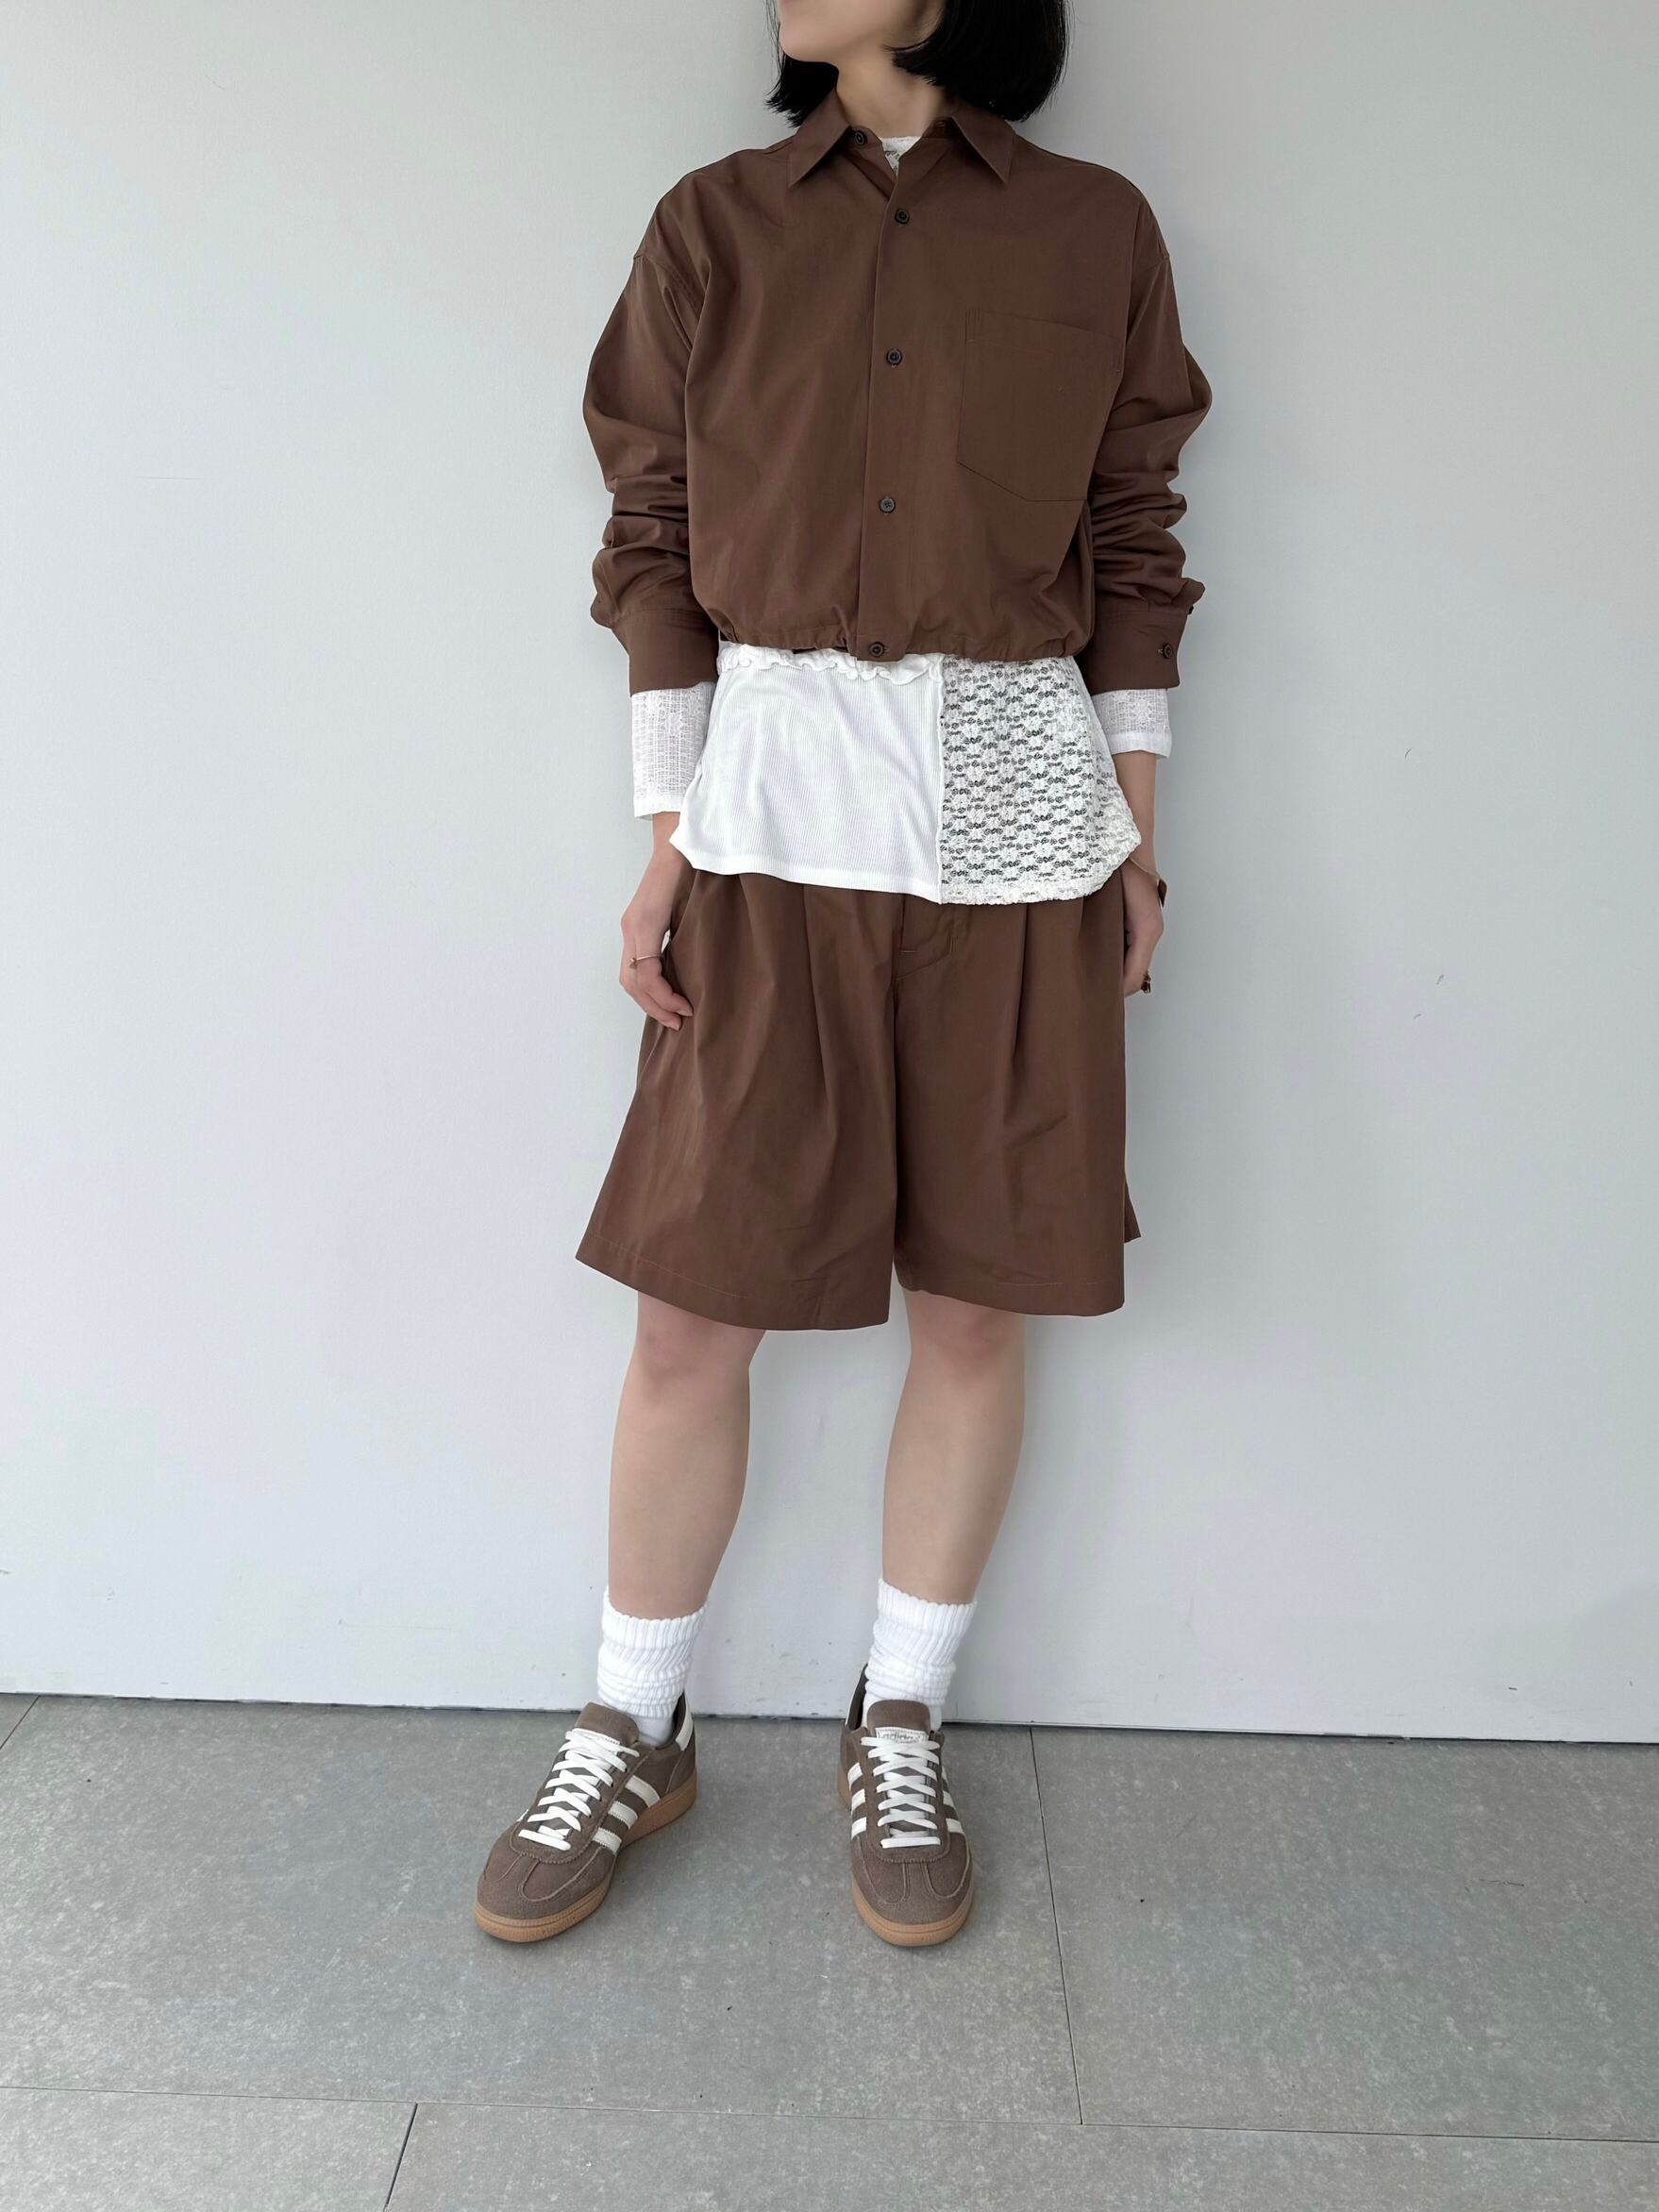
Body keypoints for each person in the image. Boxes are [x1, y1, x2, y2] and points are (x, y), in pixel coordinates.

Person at [475, 0, 1211, 1950]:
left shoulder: (1092, 227)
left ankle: (902, 1714)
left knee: (975, 1307)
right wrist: (666, 833)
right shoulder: (714, 225)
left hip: (1021, 825)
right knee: (689, 1313)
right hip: (772, 814)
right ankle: (635, 1717)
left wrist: (1136, 833)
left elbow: (1135, 535)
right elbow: (652, 534)